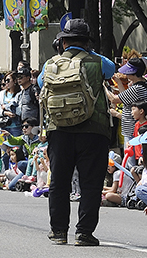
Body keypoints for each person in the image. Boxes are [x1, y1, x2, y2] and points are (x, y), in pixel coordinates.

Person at [39, 19, 116, 246]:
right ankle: (84, 233)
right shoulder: (99, 62)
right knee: (90, 183)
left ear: (62, 41)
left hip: (59, 129)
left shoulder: (50, 64)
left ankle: (59, 231)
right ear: (87, 42)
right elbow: (112, 69)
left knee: (59, 183)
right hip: (94, 131)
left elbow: (40, 82)